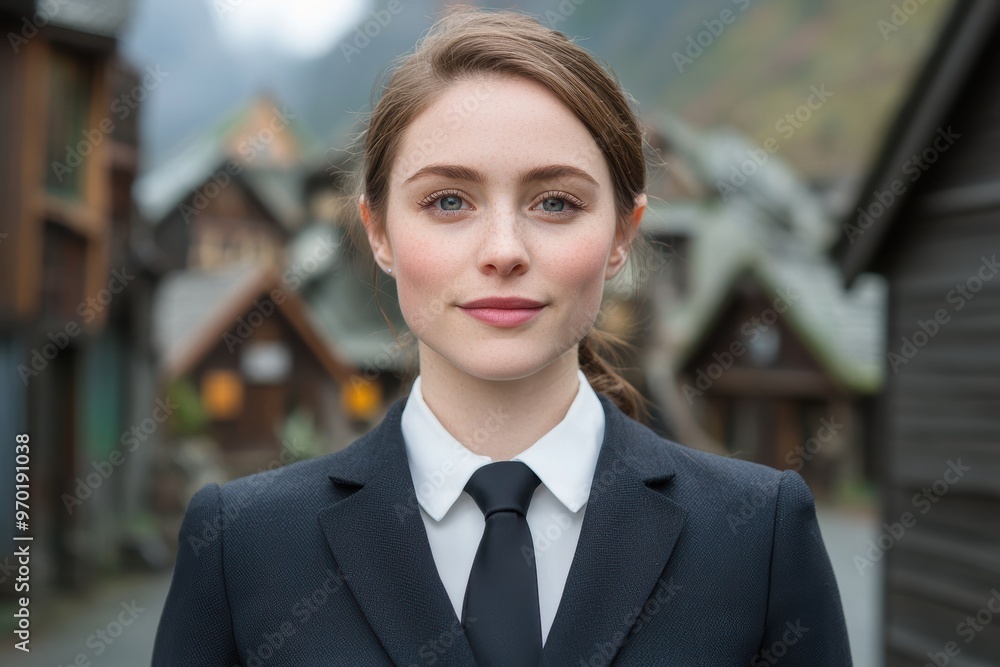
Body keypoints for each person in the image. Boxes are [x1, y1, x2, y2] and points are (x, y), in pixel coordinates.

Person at [152, 8, 852, 666]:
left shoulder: (757, 536)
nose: (503, 250)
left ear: (621, 237)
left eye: (556, 202)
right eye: (448, 200)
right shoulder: (243, 545)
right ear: (378, 232)